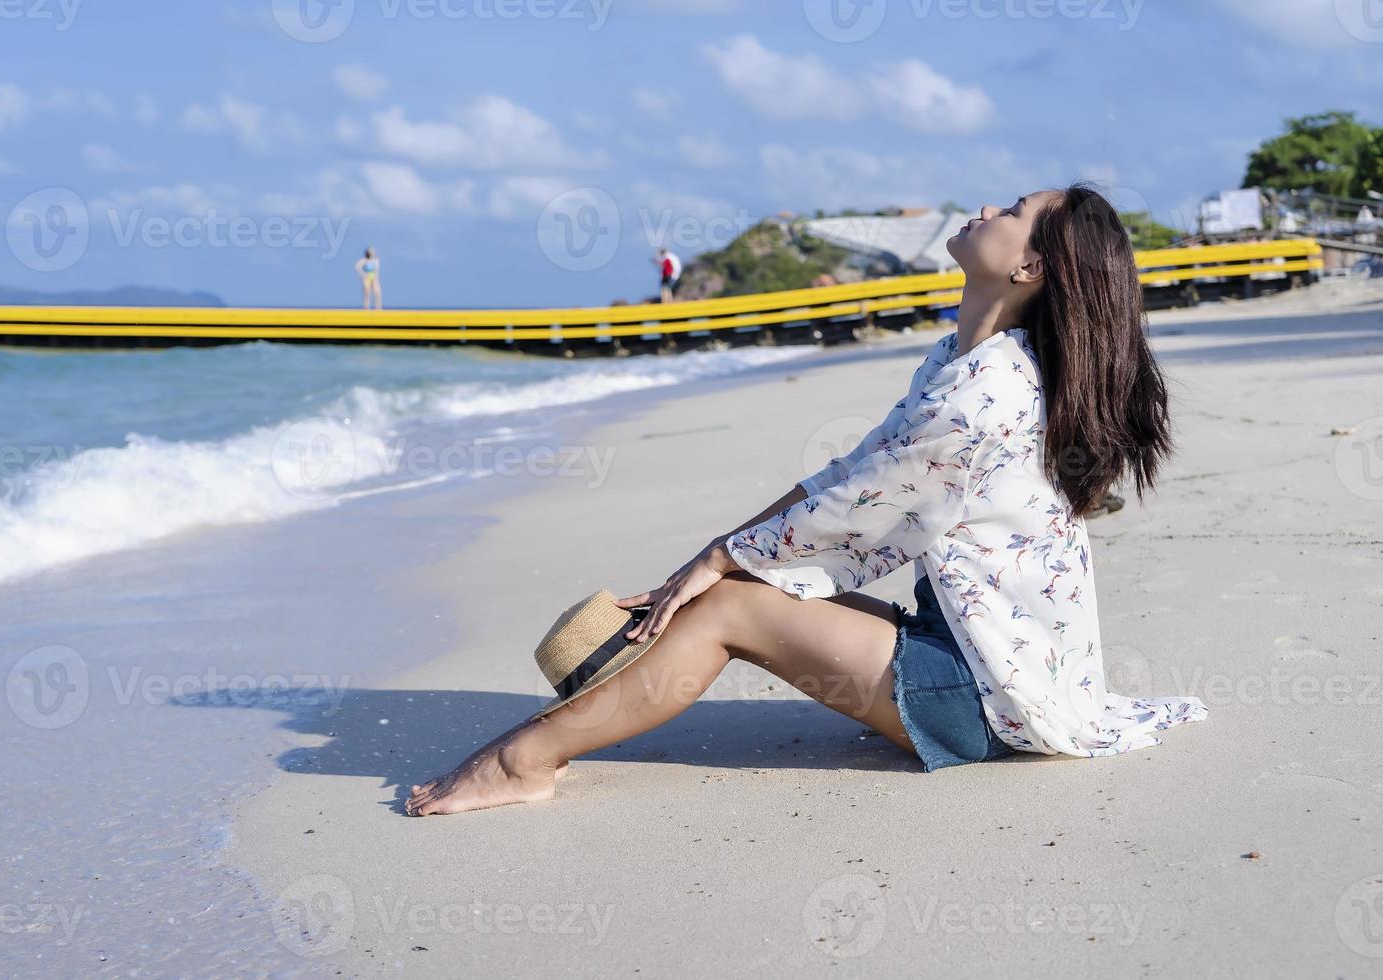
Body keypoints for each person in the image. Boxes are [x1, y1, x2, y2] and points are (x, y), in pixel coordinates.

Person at [404, 182, 1209, 817]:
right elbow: (846, 480)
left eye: (1016, 211)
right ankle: (540, 748)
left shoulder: (985, 394)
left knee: (730, 610)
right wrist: (712, 556)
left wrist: (719, 567)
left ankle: (522, 763)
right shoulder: (966, 362)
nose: (991, 207)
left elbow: (845, 510)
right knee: (736, 582)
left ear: (1029, 268)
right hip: (978, 656)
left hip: (985, 704)